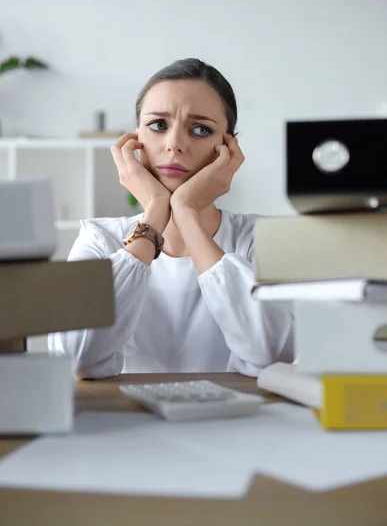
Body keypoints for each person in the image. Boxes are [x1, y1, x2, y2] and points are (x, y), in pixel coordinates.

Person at [48, 58, 293, 378]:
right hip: (125, 423)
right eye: (159, 125)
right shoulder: (99, 239)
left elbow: (272, 355)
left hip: (239, 423)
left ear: (227, 150)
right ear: (135, 140)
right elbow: (76, 357)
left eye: (201, 129)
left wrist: (187, 213)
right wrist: (153, 213)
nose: (175, 144)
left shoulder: (261, 237)